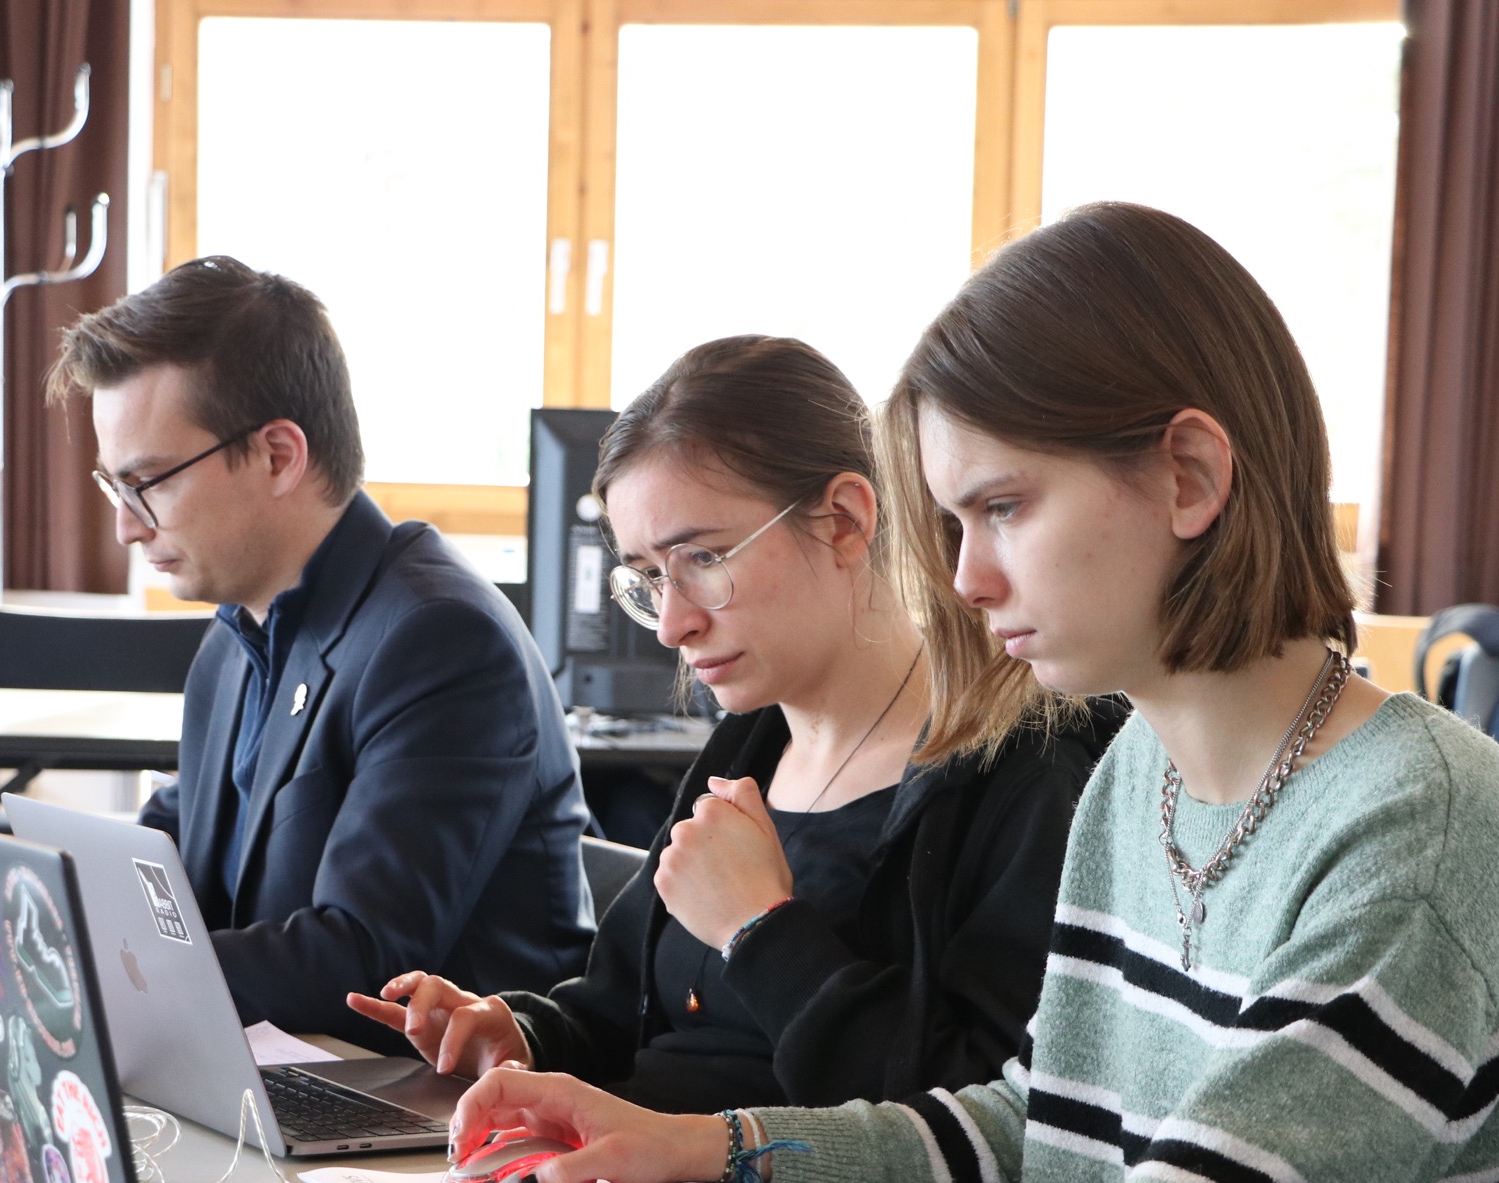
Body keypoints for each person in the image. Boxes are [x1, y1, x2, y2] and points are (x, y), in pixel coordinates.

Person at [327, 204, 1499, 1183]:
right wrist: (705, 1145)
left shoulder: (1417, 824)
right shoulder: (1143, 775)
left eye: (1002, 508)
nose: (965, 580)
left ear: (1189, 476)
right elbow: (1039, 1129)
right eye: (953, 524)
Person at [0, 256, 597, 1057]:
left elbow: (359, 966)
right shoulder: (237, 636)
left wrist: (24, 959)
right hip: (278, 1084)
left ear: (278, 456)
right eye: (113, 487)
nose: (126, 525)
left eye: (147, 483)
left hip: (433, 1116)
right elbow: (156, 870)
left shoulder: (438, 640)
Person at [349, 334, 1111, 1112]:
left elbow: (980, 1120)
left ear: (845, 520)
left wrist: (760, 929)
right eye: (650, 578)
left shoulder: (1021, 776)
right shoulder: (750, 747)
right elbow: (620, 1013)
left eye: (703, 559)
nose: (670, 625)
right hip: (625, 1167)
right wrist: (521, 1033)